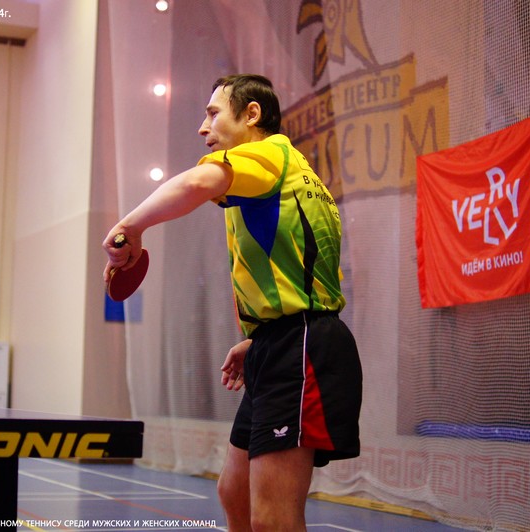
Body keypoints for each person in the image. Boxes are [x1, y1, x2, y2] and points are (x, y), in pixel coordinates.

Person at [103, 74, 362, 531]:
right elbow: (294, 269)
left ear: (252, 114)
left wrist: (131, 226)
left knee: (273, 517)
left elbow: (197, 181)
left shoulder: (270, 154)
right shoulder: (266, 180)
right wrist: (257, 338)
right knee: (234, 492)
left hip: (301, 347)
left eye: (213, 113)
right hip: (279, 342)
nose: (203, 127)